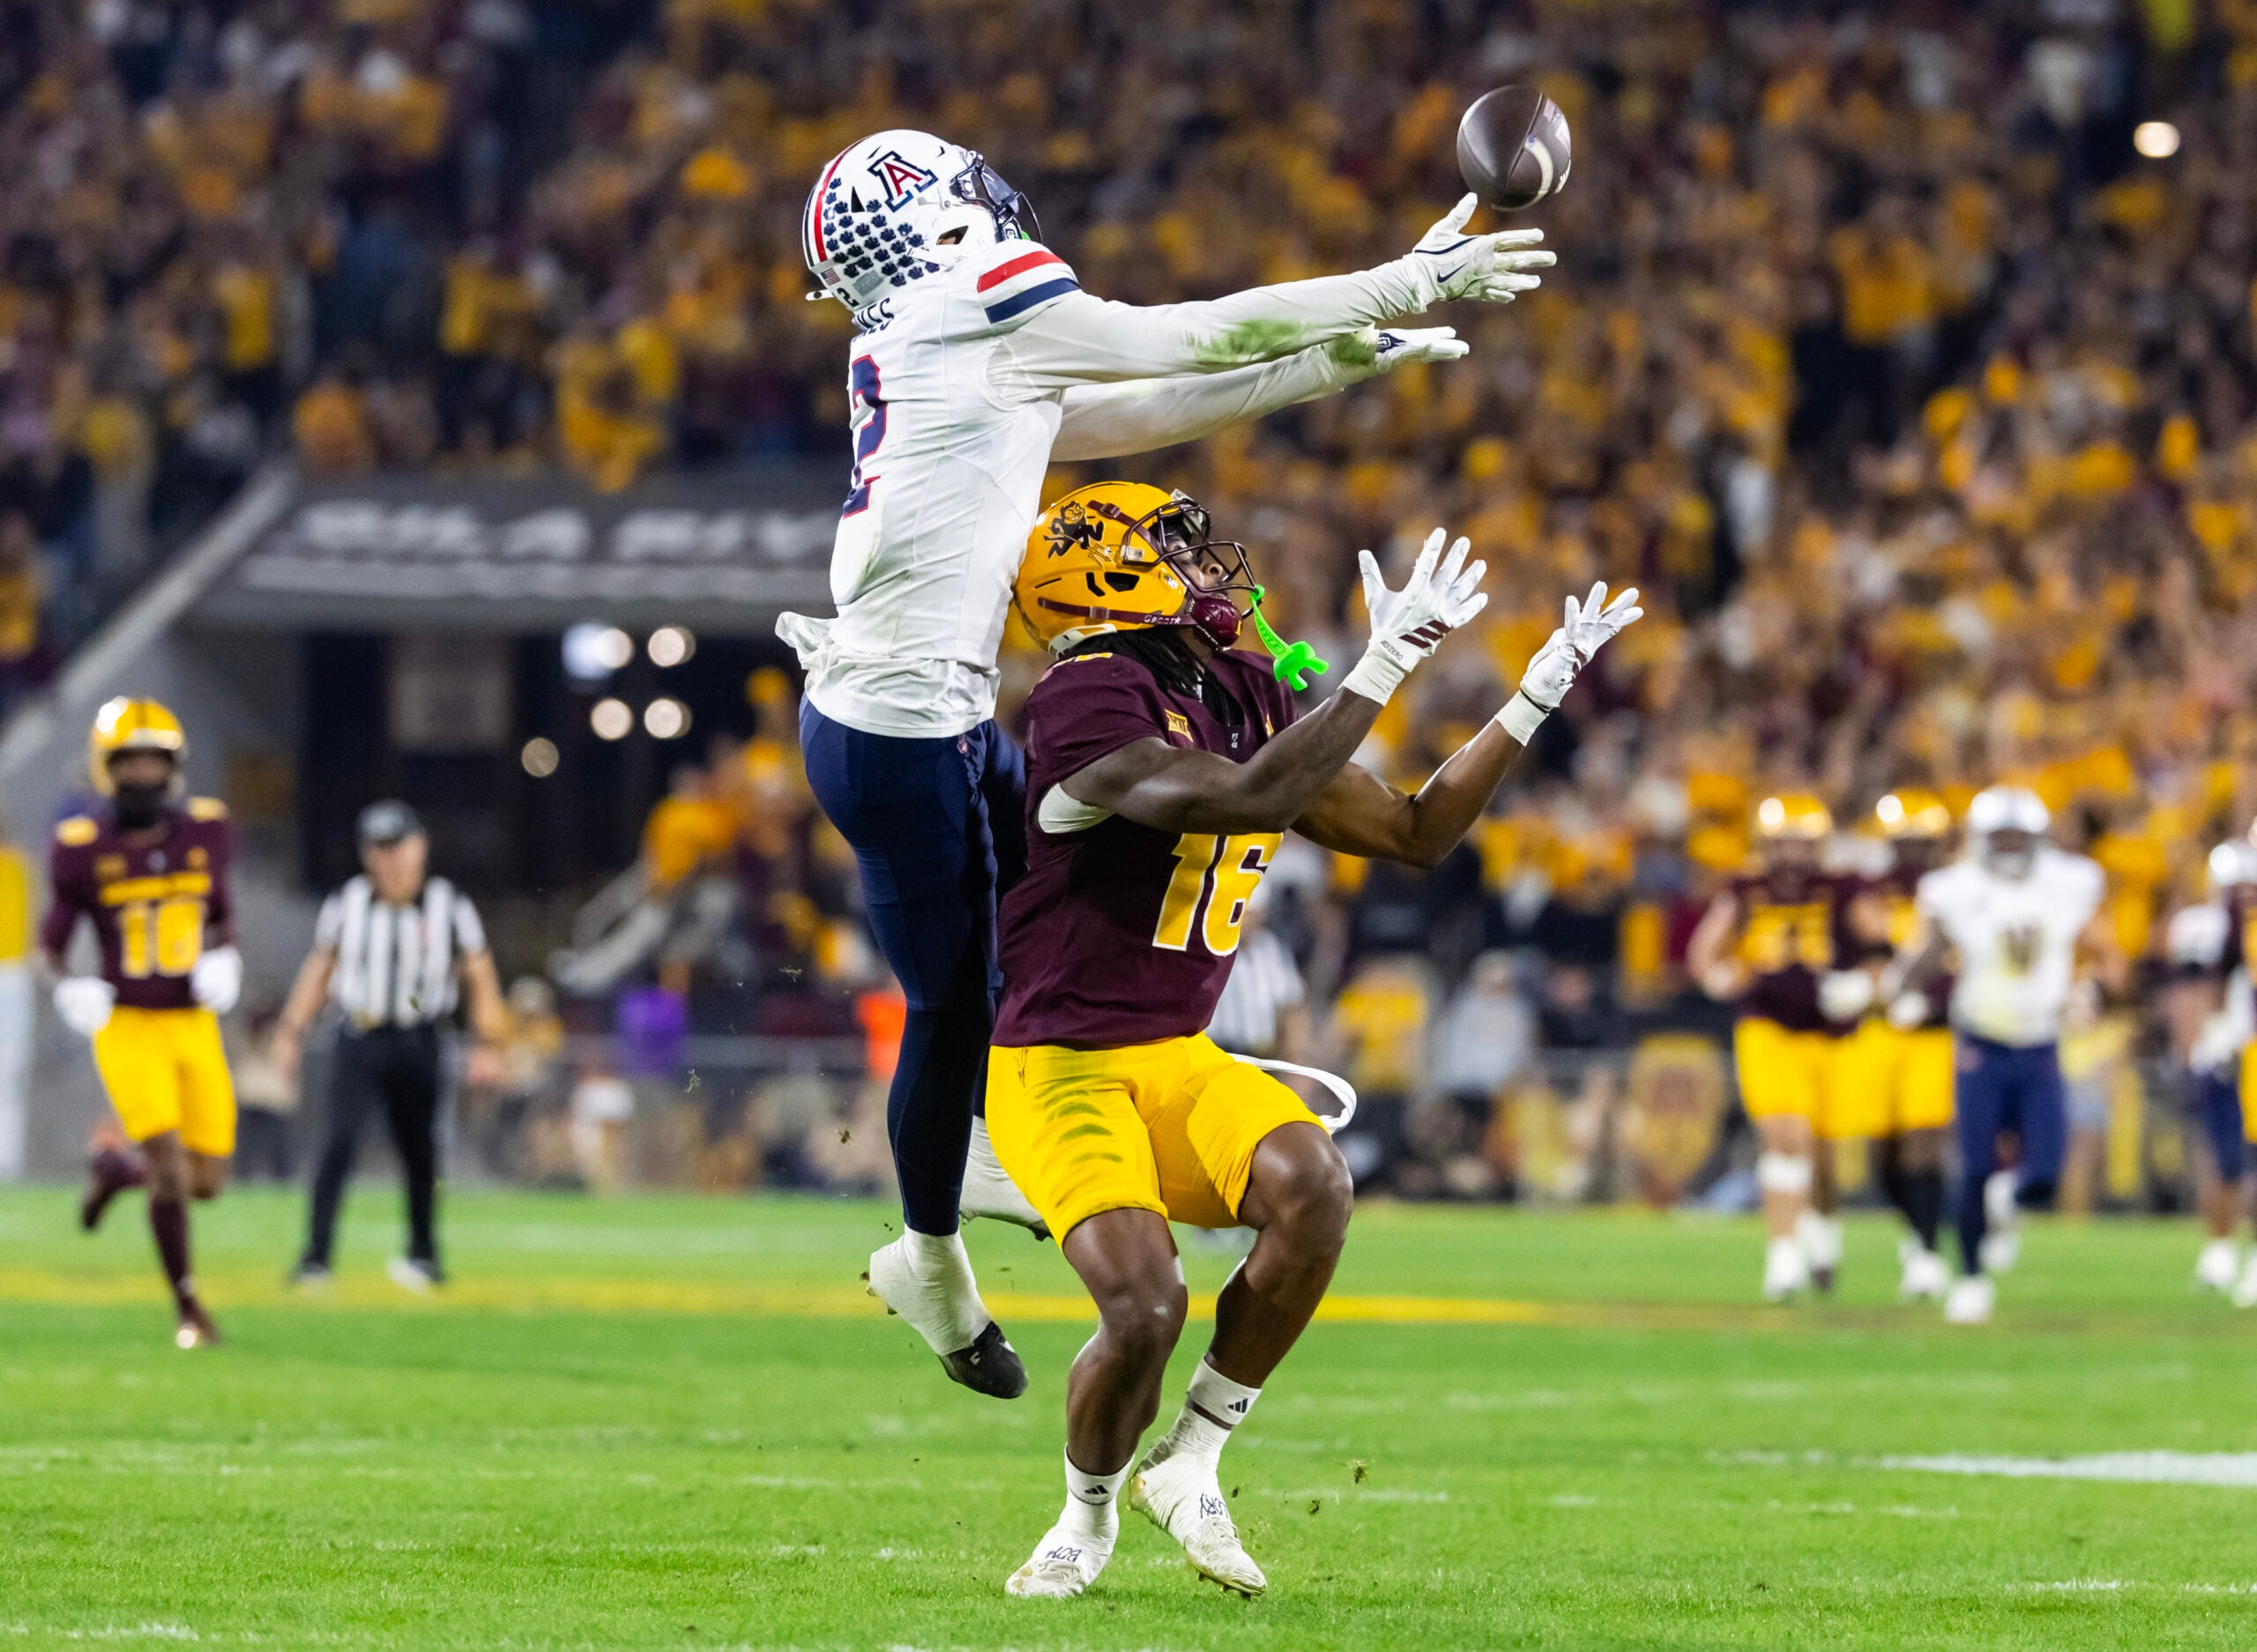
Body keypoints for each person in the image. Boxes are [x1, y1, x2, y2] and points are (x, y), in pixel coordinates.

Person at [778, 130, 1554, 1399]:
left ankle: (995, 1146)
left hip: (919, 712)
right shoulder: (975, 298)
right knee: (955, 1000)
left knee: (1026, 944)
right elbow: (1187, 336)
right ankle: (933, 1251)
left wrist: (1325, 361)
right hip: (897, 731)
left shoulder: (929, 335)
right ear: (931, 216)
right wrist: (1404, 280)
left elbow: (1122, 410)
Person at [983, 481, 1637, 1598]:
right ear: (1103, 575)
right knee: (1145, 1307)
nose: (1209, 565)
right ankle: (1083, 1516)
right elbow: (1245, 797)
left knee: (1314, 1185)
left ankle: (1191, 1456)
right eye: (1175, 548)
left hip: (1176, 1053)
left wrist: (1534, 694)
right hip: (1061, 1066)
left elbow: (1414, 830)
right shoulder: (1085, 696)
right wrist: (1380, 667)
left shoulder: (1241, 685)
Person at [1878, 785, 2124, 1325]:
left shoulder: (2066, 884)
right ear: (1982, 840)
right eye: (2001, 838)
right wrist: (1901, 988)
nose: (2010, 848)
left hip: (2040, 1042)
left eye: (2018, 838)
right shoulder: (1955, 889)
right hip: (1981, 1043)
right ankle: (1970, 1279)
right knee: (1974, 1166)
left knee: (2046, 1170)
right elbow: (1928, 951)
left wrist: (2093, 991)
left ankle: (2005, 1204)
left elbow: (2110, 957)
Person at [43, 698, 242, 1348]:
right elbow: (51, 941)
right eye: (130, 762)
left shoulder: (207, 831)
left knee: (206, 1182)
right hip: (128, 1023)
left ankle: (115, 1173)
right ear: (106, 768)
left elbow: (221, 913)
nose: (143, 775)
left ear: (174, 767)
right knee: (168, 1162)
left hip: (192, 1022)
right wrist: (68, 985)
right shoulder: (81, 848)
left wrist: (227, 956)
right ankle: (188, 1307)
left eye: (154, 762)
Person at [272, 801, 506, 1291]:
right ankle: (316, 1258)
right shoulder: (347, 902)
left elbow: (479, 973)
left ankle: (423, 1255)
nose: (389, 859)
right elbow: (321, 965)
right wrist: (291, 1030)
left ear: (420, 846)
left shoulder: (449, 904)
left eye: (397, 846)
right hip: (360, 1034)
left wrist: (488, 1042)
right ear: (366, 854)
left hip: (420, 1035)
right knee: (337, 1143)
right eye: (379, 848)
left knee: (421, 1150)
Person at [1686, 795, 1861, 1301]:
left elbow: (1880, 944)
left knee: (1820, 1151)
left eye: (1802, 845)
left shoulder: (1842, 889)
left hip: (1827, 1032)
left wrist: (1864, 985)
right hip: (1765, 1025)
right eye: (1785, 844)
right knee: (1785, 1132)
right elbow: (1704, 951)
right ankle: (1783, 1257)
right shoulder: (1745, 889)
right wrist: (1717, 976)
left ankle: (1822, 1234)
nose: (1793, 855)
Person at [1834, 791, 1958, 1300]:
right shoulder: (1868, 891)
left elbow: (1961, 961)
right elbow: (1856, 950)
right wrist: (1860, 984)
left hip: (1931, 1034)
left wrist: (1931, 1000)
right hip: (1878, 1030)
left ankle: (1926, 1251)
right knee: (1881, 1148)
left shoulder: (1954, 891)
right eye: (1904, 840)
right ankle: (1915, 1233)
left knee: (1923, 1139)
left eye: (1920, 841)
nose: (1911, 851)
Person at [2168, 837, 2257, 1295]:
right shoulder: (2200, 926)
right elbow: (2189, 993)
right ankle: (2219, 1251)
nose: (2242, 896)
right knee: (2217, 1158)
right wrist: (2196, 1048)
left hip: (2250, 1053)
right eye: (2235, 887)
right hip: (2219, 1053)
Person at [0, 822, 30, 1180]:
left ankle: (6, 1160)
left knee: (9, 1071)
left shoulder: (16, 867)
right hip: (12, 975)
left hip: (10, 974)